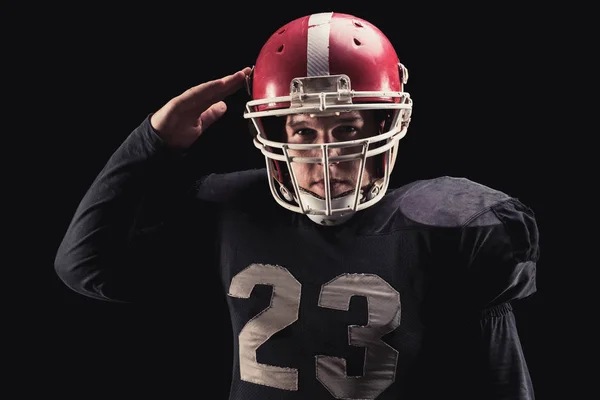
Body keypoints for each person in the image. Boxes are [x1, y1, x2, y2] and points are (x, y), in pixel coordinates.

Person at [54, 12, 540, 400]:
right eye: (304, 131)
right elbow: (85, 267)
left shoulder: (444, 224)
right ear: (273, 136)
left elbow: (500, 384)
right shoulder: (237, 209)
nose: (325, 155)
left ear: (384, 127)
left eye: (346, 130)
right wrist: (152, 142)